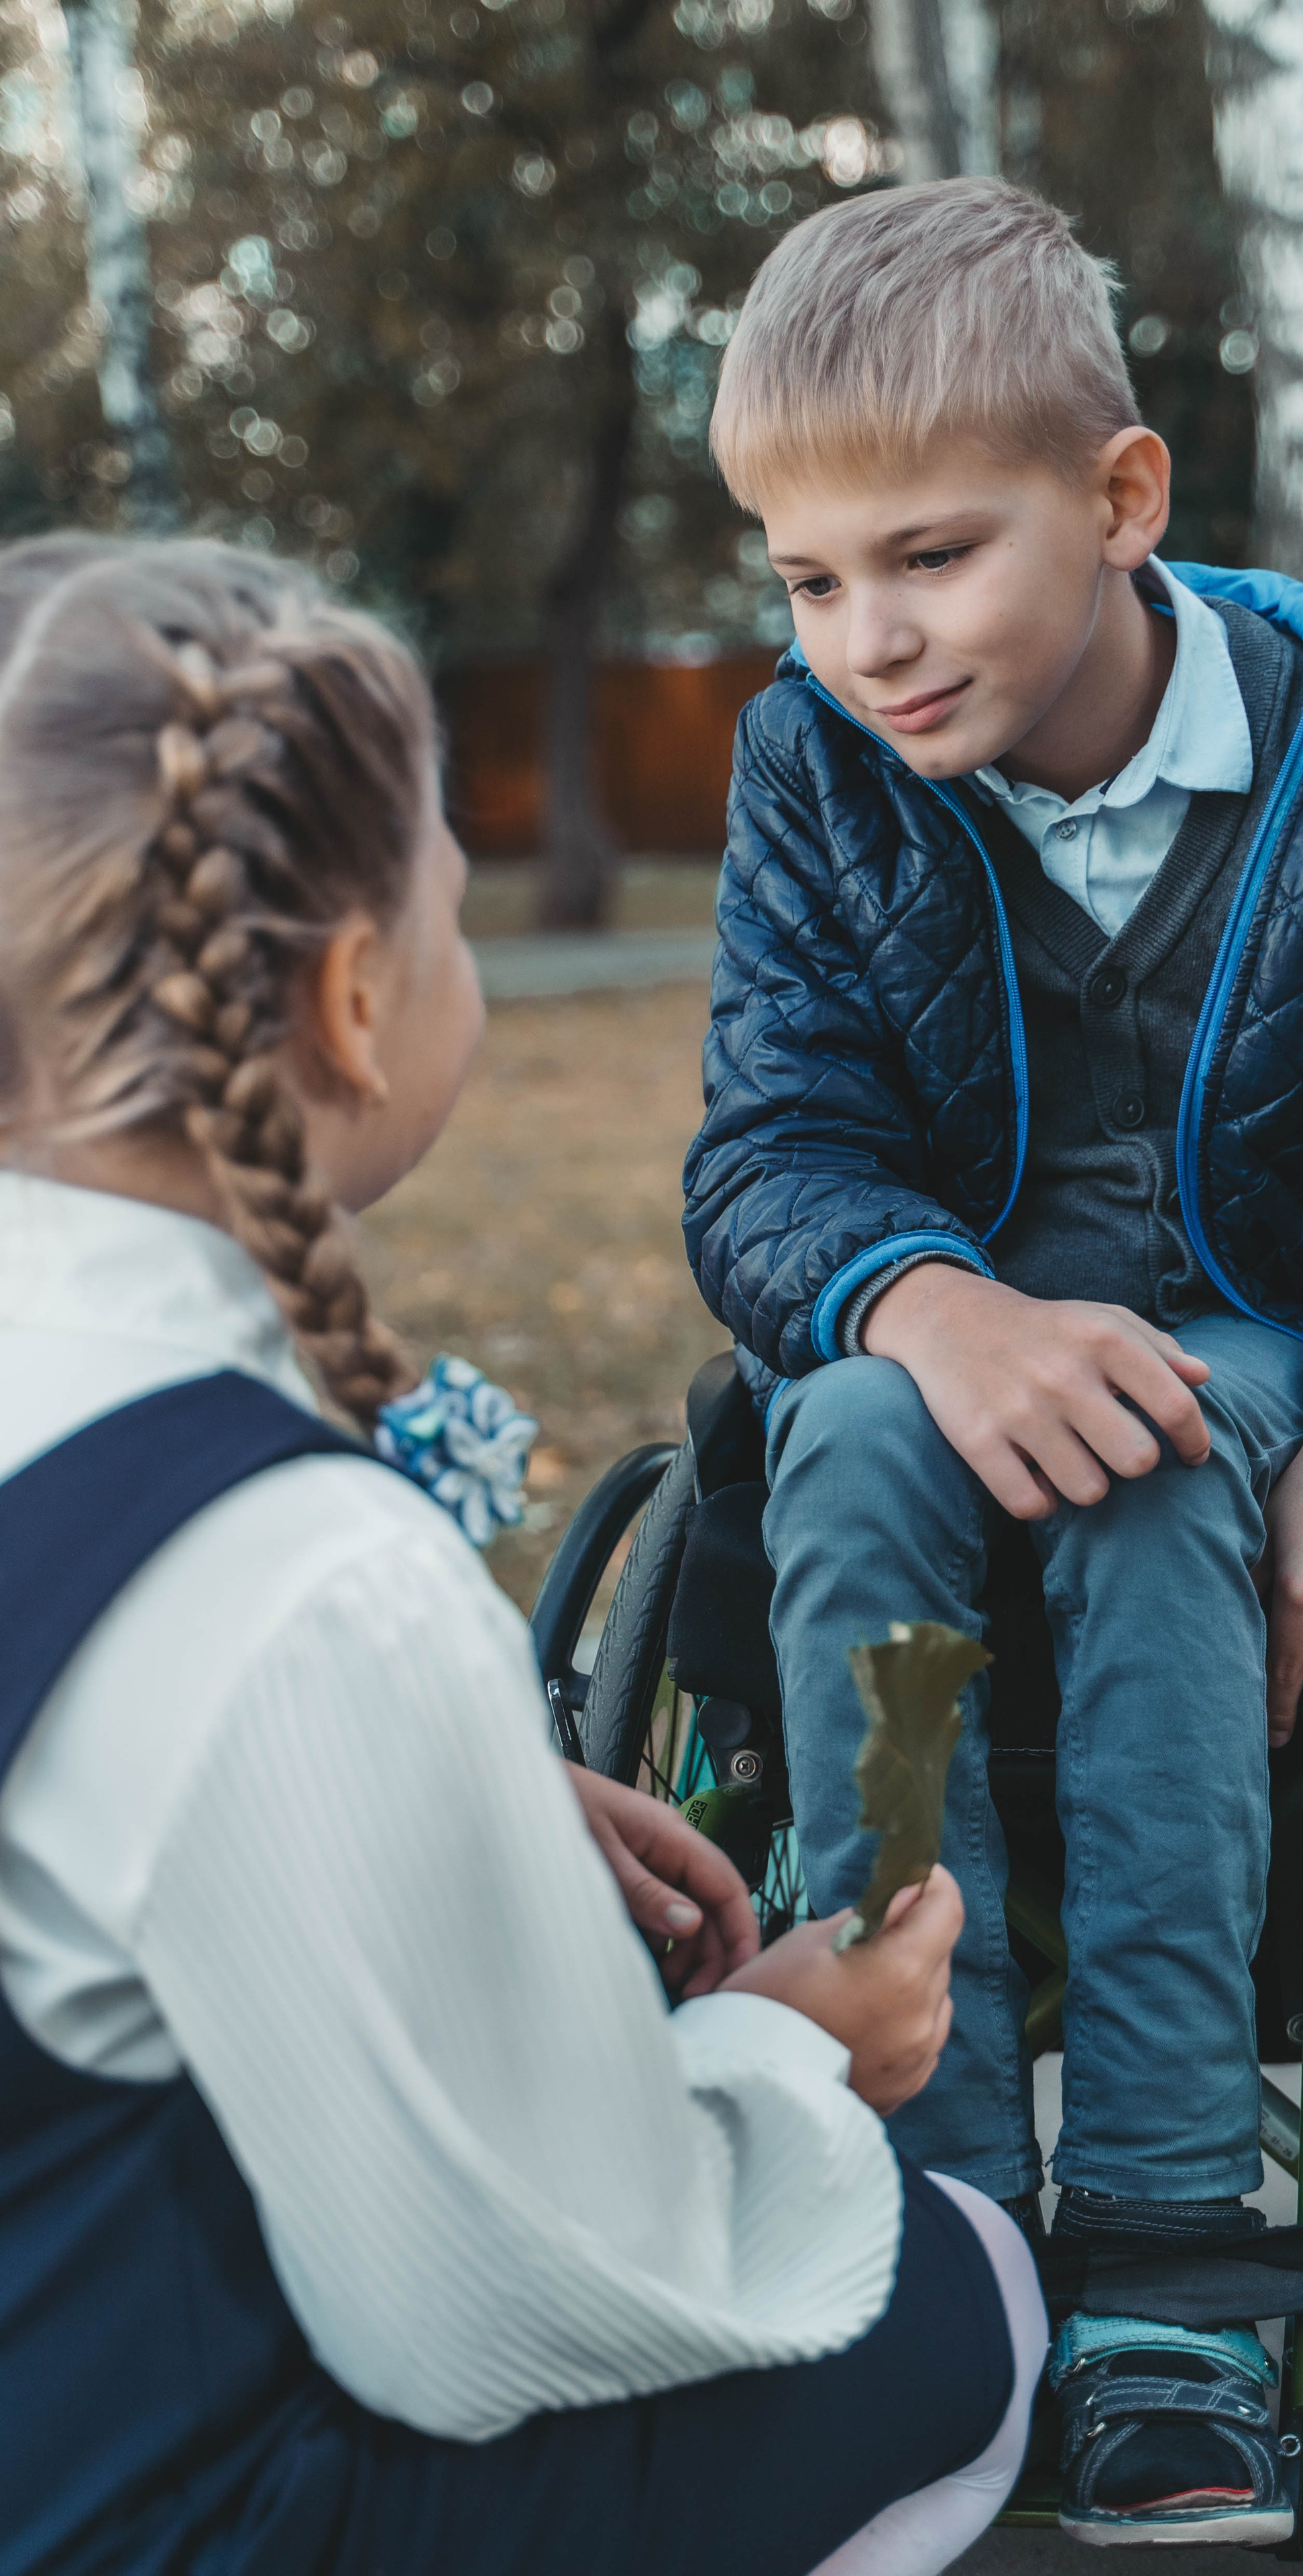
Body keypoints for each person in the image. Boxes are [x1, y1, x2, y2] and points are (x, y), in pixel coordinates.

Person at [683, 177, 1303, 2545]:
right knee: (844, 1436)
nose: (870, 640)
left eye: (930, 556)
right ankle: (934, 2209)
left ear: (1122, 496)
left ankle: (1172, 2259)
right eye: (809, 581)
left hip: (1265, 1360)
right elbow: (773, 1151)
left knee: (1159, 1456)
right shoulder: (815, 767)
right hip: (933, 1389)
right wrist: (931, 1301)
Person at [0, 536, 1045, 2576]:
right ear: (355, 1000)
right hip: (136, 2510)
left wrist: (459, 1790)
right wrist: (796, 2053)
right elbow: (509, 2303)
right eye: (453, 900)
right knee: (959, 2295)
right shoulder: (296, 1571)